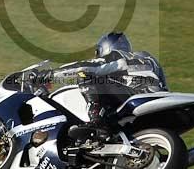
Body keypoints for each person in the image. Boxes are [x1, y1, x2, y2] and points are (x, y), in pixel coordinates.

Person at [36, 32, 167, 140]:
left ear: (105, 48)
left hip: (136, 96)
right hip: (156, 101)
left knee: (85, 74)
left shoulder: (118, 57)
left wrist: (51, 74)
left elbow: (86, 66)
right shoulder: (144, 60)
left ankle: (96, 121)